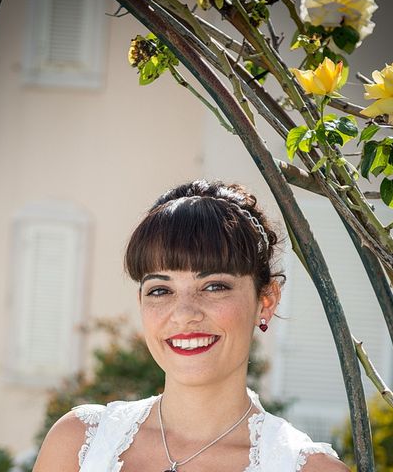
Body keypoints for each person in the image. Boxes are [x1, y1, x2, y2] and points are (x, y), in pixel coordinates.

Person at [33, 180, 349, 471]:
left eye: (214, 286)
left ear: (265, 300)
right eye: (160, 290)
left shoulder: (308, 468)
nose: (184, 314)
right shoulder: (78, 445)